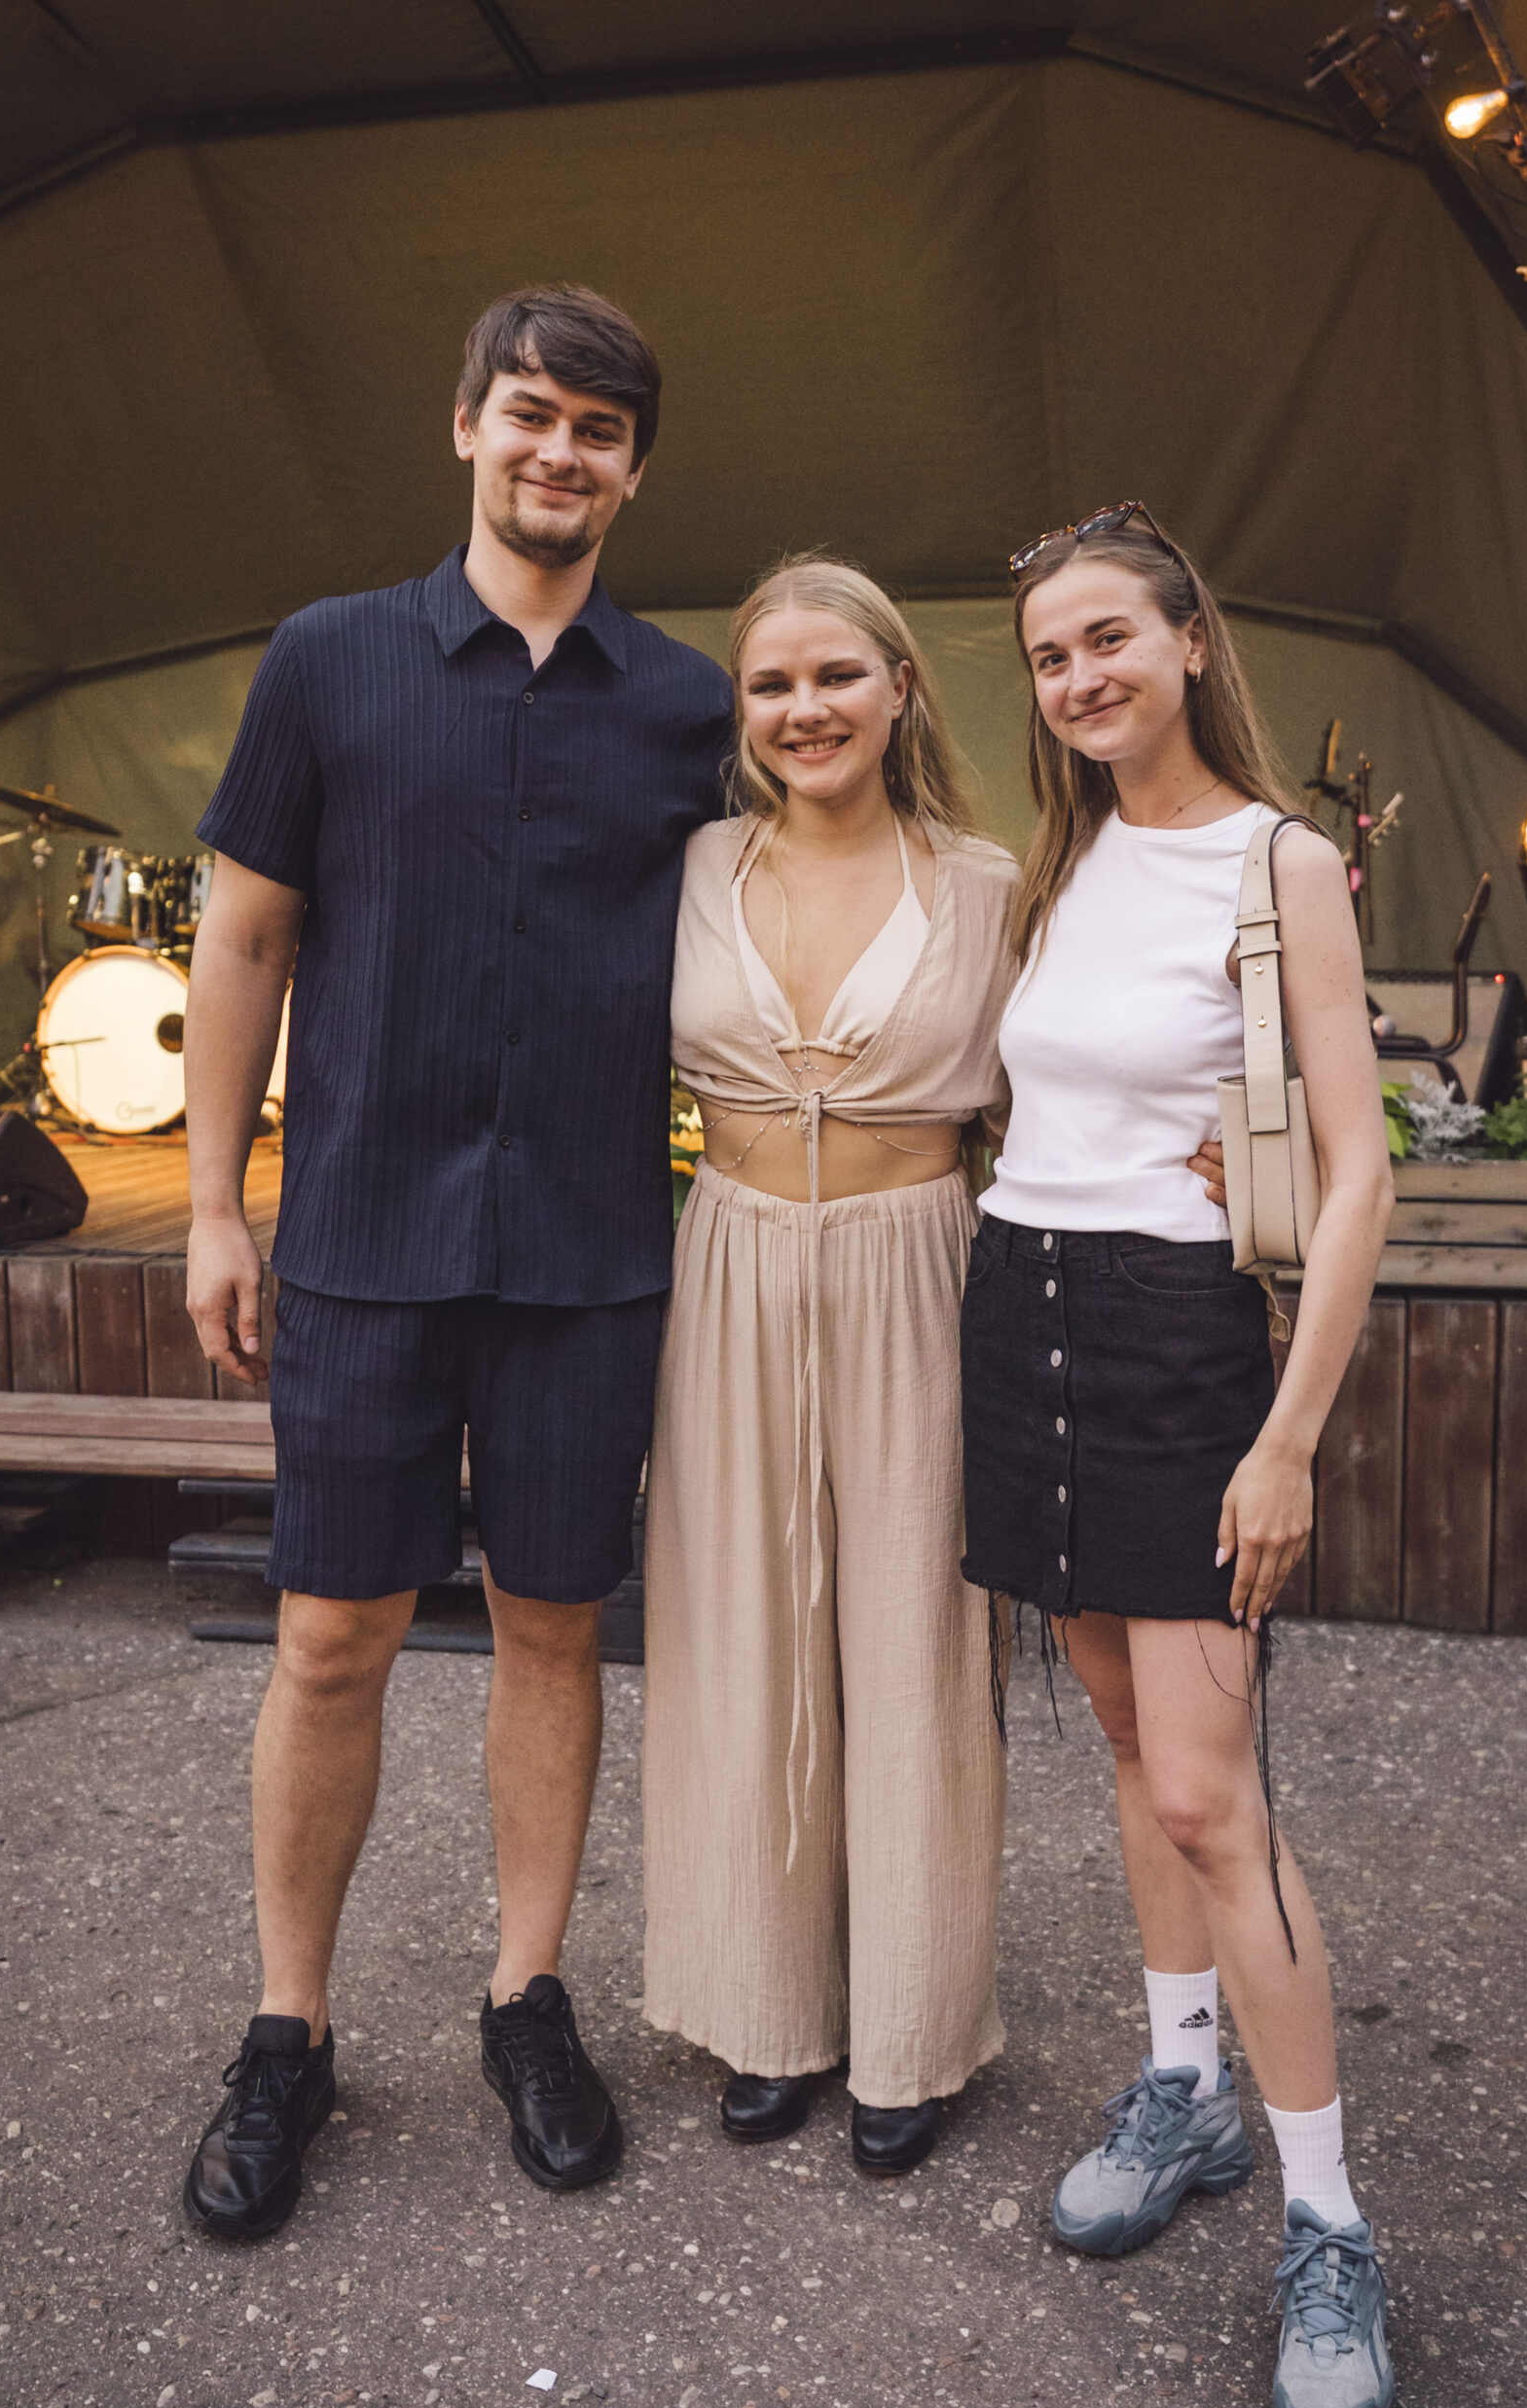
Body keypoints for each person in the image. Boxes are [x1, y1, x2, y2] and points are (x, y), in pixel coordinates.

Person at [180, 285, 732, 2238]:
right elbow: (244, 938)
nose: (559, 450)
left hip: (589, 1252)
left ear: (633, 470)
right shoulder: (327, 658)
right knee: (330, 1640)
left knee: (553, 1631)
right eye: (531, 412)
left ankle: (526, 1996)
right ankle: (289, 2029)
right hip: (359, 1241)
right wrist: (213, 1204)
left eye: (598, 427)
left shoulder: (690, 705)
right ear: (467, 427)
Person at [960, 503, 1398, 2408]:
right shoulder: (1059, 857)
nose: (1080, 678)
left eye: (1109, 639)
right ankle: (1182, 2088)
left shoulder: (1279, 857)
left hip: (1176, 1344)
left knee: (1215, 1795)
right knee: (1133, 1749)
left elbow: (1357, 1167)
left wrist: (1284, 1433)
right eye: (1050, 657)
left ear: (1189, 639)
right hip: (1021, 1309)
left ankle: (1327, 2223)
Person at [642, 557, 1014, 2175]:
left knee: (913, 1639)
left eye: (837, 676)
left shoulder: (988, 886)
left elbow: (1070, 1086)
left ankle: (912, 2029)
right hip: (725, 1264)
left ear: (900, 688)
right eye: (772, 684)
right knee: (736, 1626)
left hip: (916, 1267)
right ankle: (763, 2008)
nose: (805, 709)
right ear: (741, 710)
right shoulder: (691, 866)